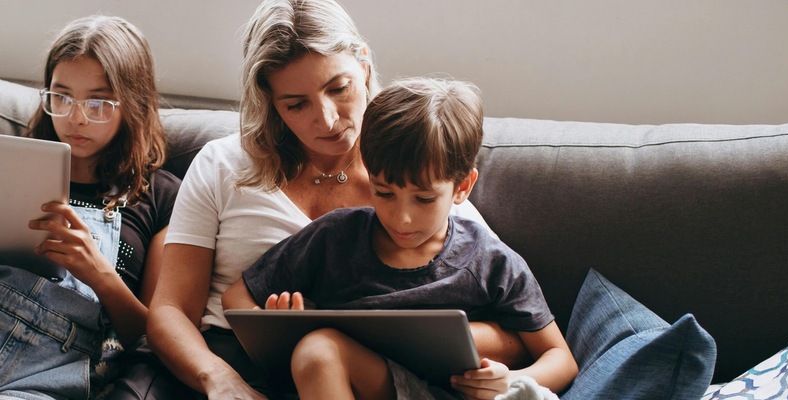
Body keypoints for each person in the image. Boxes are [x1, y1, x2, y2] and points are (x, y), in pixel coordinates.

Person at [147, 0, 526, 399]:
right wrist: (220, 381)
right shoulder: (222, 165)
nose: (326, 119)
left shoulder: (413, 175)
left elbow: (518, 329)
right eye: (296, 104)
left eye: (338, 88)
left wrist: (394, 331)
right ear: (270, 101)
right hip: (233, 372)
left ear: (363, 64)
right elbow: (169, 312)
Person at [222, 77, 578, 399]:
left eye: (423, 199)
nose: (401, 217)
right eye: (384, 193)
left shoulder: (490, 261)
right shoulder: (334, 237)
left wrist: (511, 381)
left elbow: (560, 359)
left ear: (462, 187)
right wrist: (275, 325)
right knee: (317, 350)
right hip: (362, 383)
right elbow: (237, 296)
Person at [0, 15, 184, 399]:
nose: (76, 117)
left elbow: (155, 337)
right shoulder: (11, 163)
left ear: (132, 102)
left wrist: (100, 274)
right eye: (61, 97)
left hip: (50, 372)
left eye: (98, 102)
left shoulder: (161, 196)